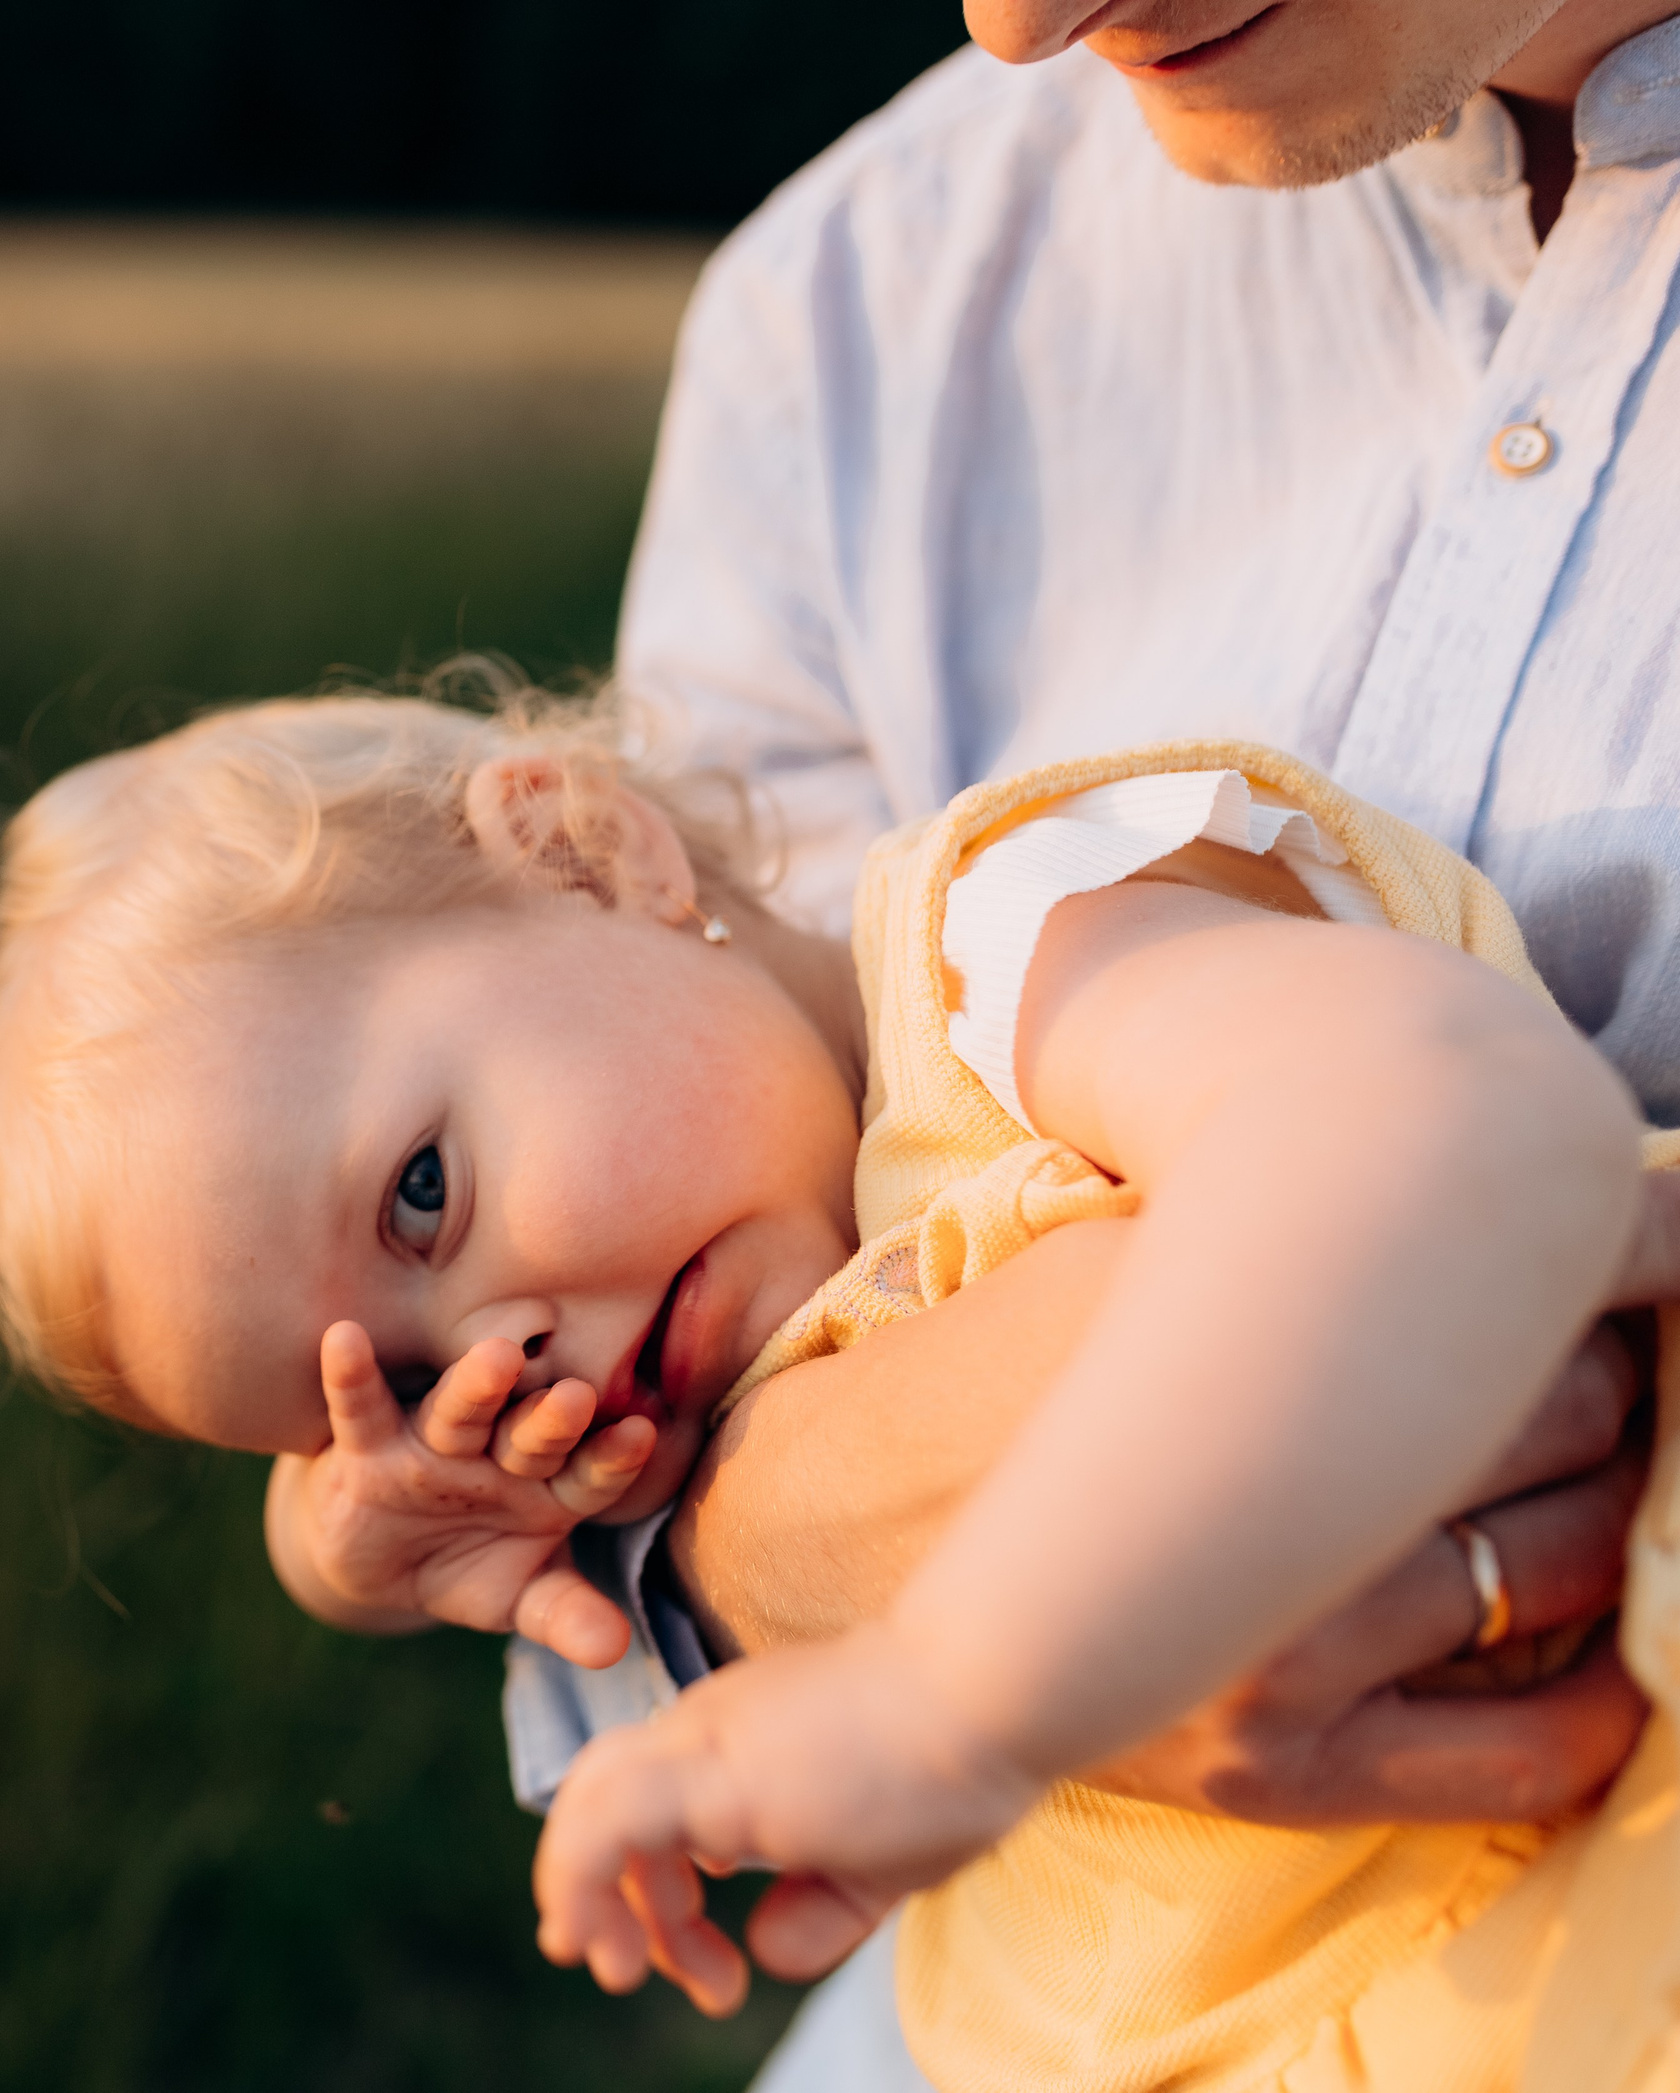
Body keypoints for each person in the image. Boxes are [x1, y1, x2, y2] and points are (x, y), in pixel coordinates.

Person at [0, 689, 1676, 2090]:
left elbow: (1435, 1117)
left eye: (425, 1190)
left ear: (586, 846)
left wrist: (953, 1700)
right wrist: (363, 1531)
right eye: (393, 1385)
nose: (496, 1367)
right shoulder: (675, 1385)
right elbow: (352, 1522)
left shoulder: (1004, 946)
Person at [588, 0, 1680, 2077]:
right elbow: (656, 1215)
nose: (1017, 23)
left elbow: (1468, 1164)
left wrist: (974, 1660)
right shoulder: (849, 322)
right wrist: (770, 1561)